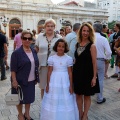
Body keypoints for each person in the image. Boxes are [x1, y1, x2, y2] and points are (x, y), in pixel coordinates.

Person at [40, 39, 79, 120]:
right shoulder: (52, 58)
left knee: (65, 98)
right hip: (54, 80)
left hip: (65, 81)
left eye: (63, 47)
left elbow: (70, 73)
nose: (61, 48)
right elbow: (49, 72)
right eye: (59, 46)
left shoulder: (68, 58)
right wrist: (47, 84)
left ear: (65, 48)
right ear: (56, 47)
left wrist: (71, 86)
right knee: (54, 99)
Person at [73, 23, 100, 120]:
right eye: (84, 30)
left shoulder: (92, 46)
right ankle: (80, 113)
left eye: (88, 31)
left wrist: (94, 77)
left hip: (88, 74)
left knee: (87, 96)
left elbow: (94, 63)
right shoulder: (77, 44)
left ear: (90, 33)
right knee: (78, 95)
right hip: (77, 73)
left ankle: (85, 115)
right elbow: (76, 60)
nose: (85, 33)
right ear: (80, 31)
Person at [11, 30, 39, 120]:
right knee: (19, 99)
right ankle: (20, 115)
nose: (27, 40)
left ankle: (27, 114)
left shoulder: (34, 51)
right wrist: (14, 81)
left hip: (31, 80)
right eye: (25, 38)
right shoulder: (16, 53)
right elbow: (13, 69)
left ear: (32, 40)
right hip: (20, 80)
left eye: (29, 38)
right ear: (22, 39)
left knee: (29, 98)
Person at [35, 18, 62, 99]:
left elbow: (62, 51)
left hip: (55, 67)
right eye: (48, 26)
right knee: (43, 87)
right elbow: (36, 49)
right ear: (45, 27)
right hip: (42, 66)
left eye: (52, 26)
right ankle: (44, 106)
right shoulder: (40, 37)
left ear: (54, 27)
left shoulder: (59, 37)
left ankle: (52, 105)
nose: (50, 28)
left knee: (54, 87)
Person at [93, 23, 111, 104]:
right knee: (100, 79)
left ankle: (90, 93)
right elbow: (109, 51)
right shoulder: (103, 39)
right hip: (100, 60)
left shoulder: (90, 38)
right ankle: (99, 98)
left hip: (90, 61)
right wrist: (107, 58)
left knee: (91, 77)